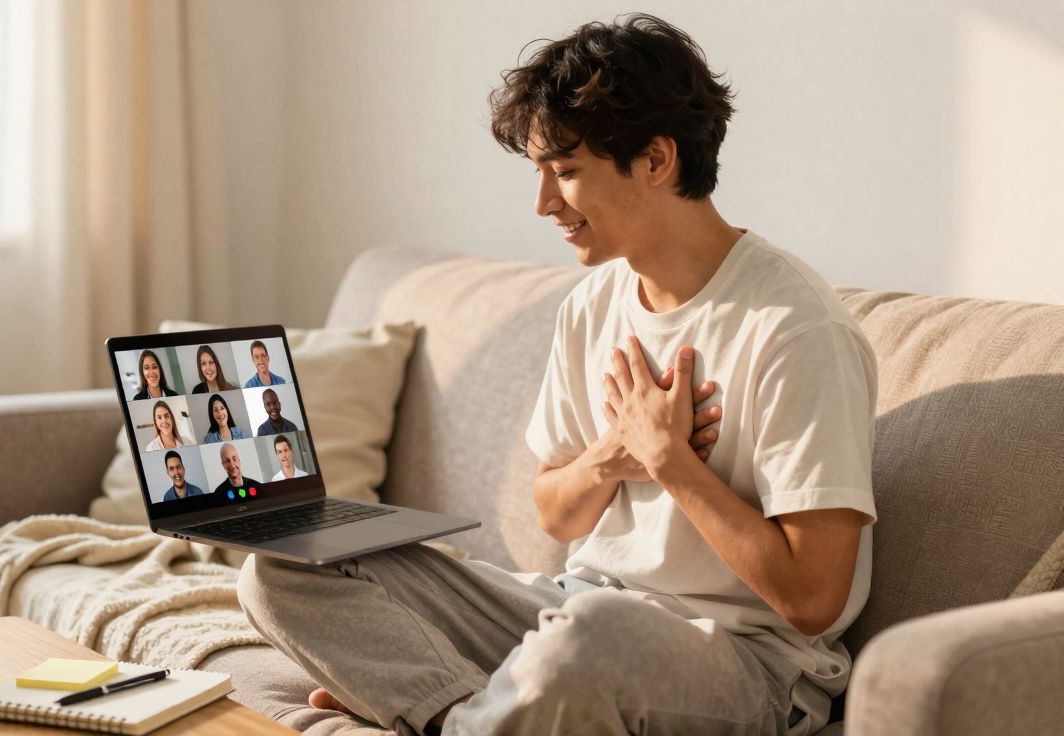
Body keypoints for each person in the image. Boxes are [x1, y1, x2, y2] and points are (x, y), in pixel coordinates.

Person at [238, 14, 876, 736]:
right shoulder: (592, 303)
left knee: (586, 639)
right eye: (540, 173)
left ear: (657, 159)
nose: (543, 204)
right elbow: (556, 511)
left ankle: (461, 708)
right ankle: (465, 714)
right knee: (285, 567)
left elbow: (811, 600)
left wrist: (672, 463)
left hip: (745, 661)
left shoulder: (794, 328)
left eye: (567, 173)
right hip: (573, 611)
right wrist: (614, 454)